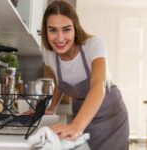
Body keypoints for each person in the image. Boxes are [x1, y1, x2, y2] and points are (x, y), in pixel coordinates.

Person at [41, 1, 129, 150]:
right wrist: (52, 108)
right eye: (53, 30)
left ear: (75, 28)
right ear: (46, 31)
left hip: (110, 113)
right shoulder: (49, 55)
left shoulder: (93, 45)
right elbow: (59, 84)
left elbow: (98, 86)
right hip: (81, 112)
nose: (60, 38)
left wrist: (76, 126)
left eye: (66, 29)